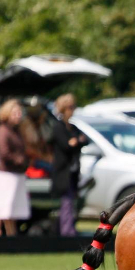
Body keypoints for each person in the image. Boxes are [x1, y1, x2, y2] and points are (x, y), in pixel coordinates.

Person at [0, 99, 31, 237]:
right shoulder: (3, 130)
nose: (18, 115)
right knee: (3, 206)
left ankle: (11, 234)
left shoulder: (16, 131)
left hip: (16, 172)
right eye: (15, 112)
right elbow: (4, 152)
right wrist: (19, 160)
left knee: (12, 208)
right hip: (6, 174)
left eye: (19, 112)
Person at [50, 93, 90, 236]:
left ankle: (68, 228)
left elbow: (85, 140)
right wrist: (76, 141)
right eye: (70, 107)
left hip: (73, 172)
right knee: (66, 202)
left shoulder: (72, 127)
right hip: (63, 172)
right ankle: (67, 231)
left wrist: (76, 142)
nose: (72, 110)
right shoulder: (58, 127)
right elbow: (66, 145)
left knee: (71, 201)